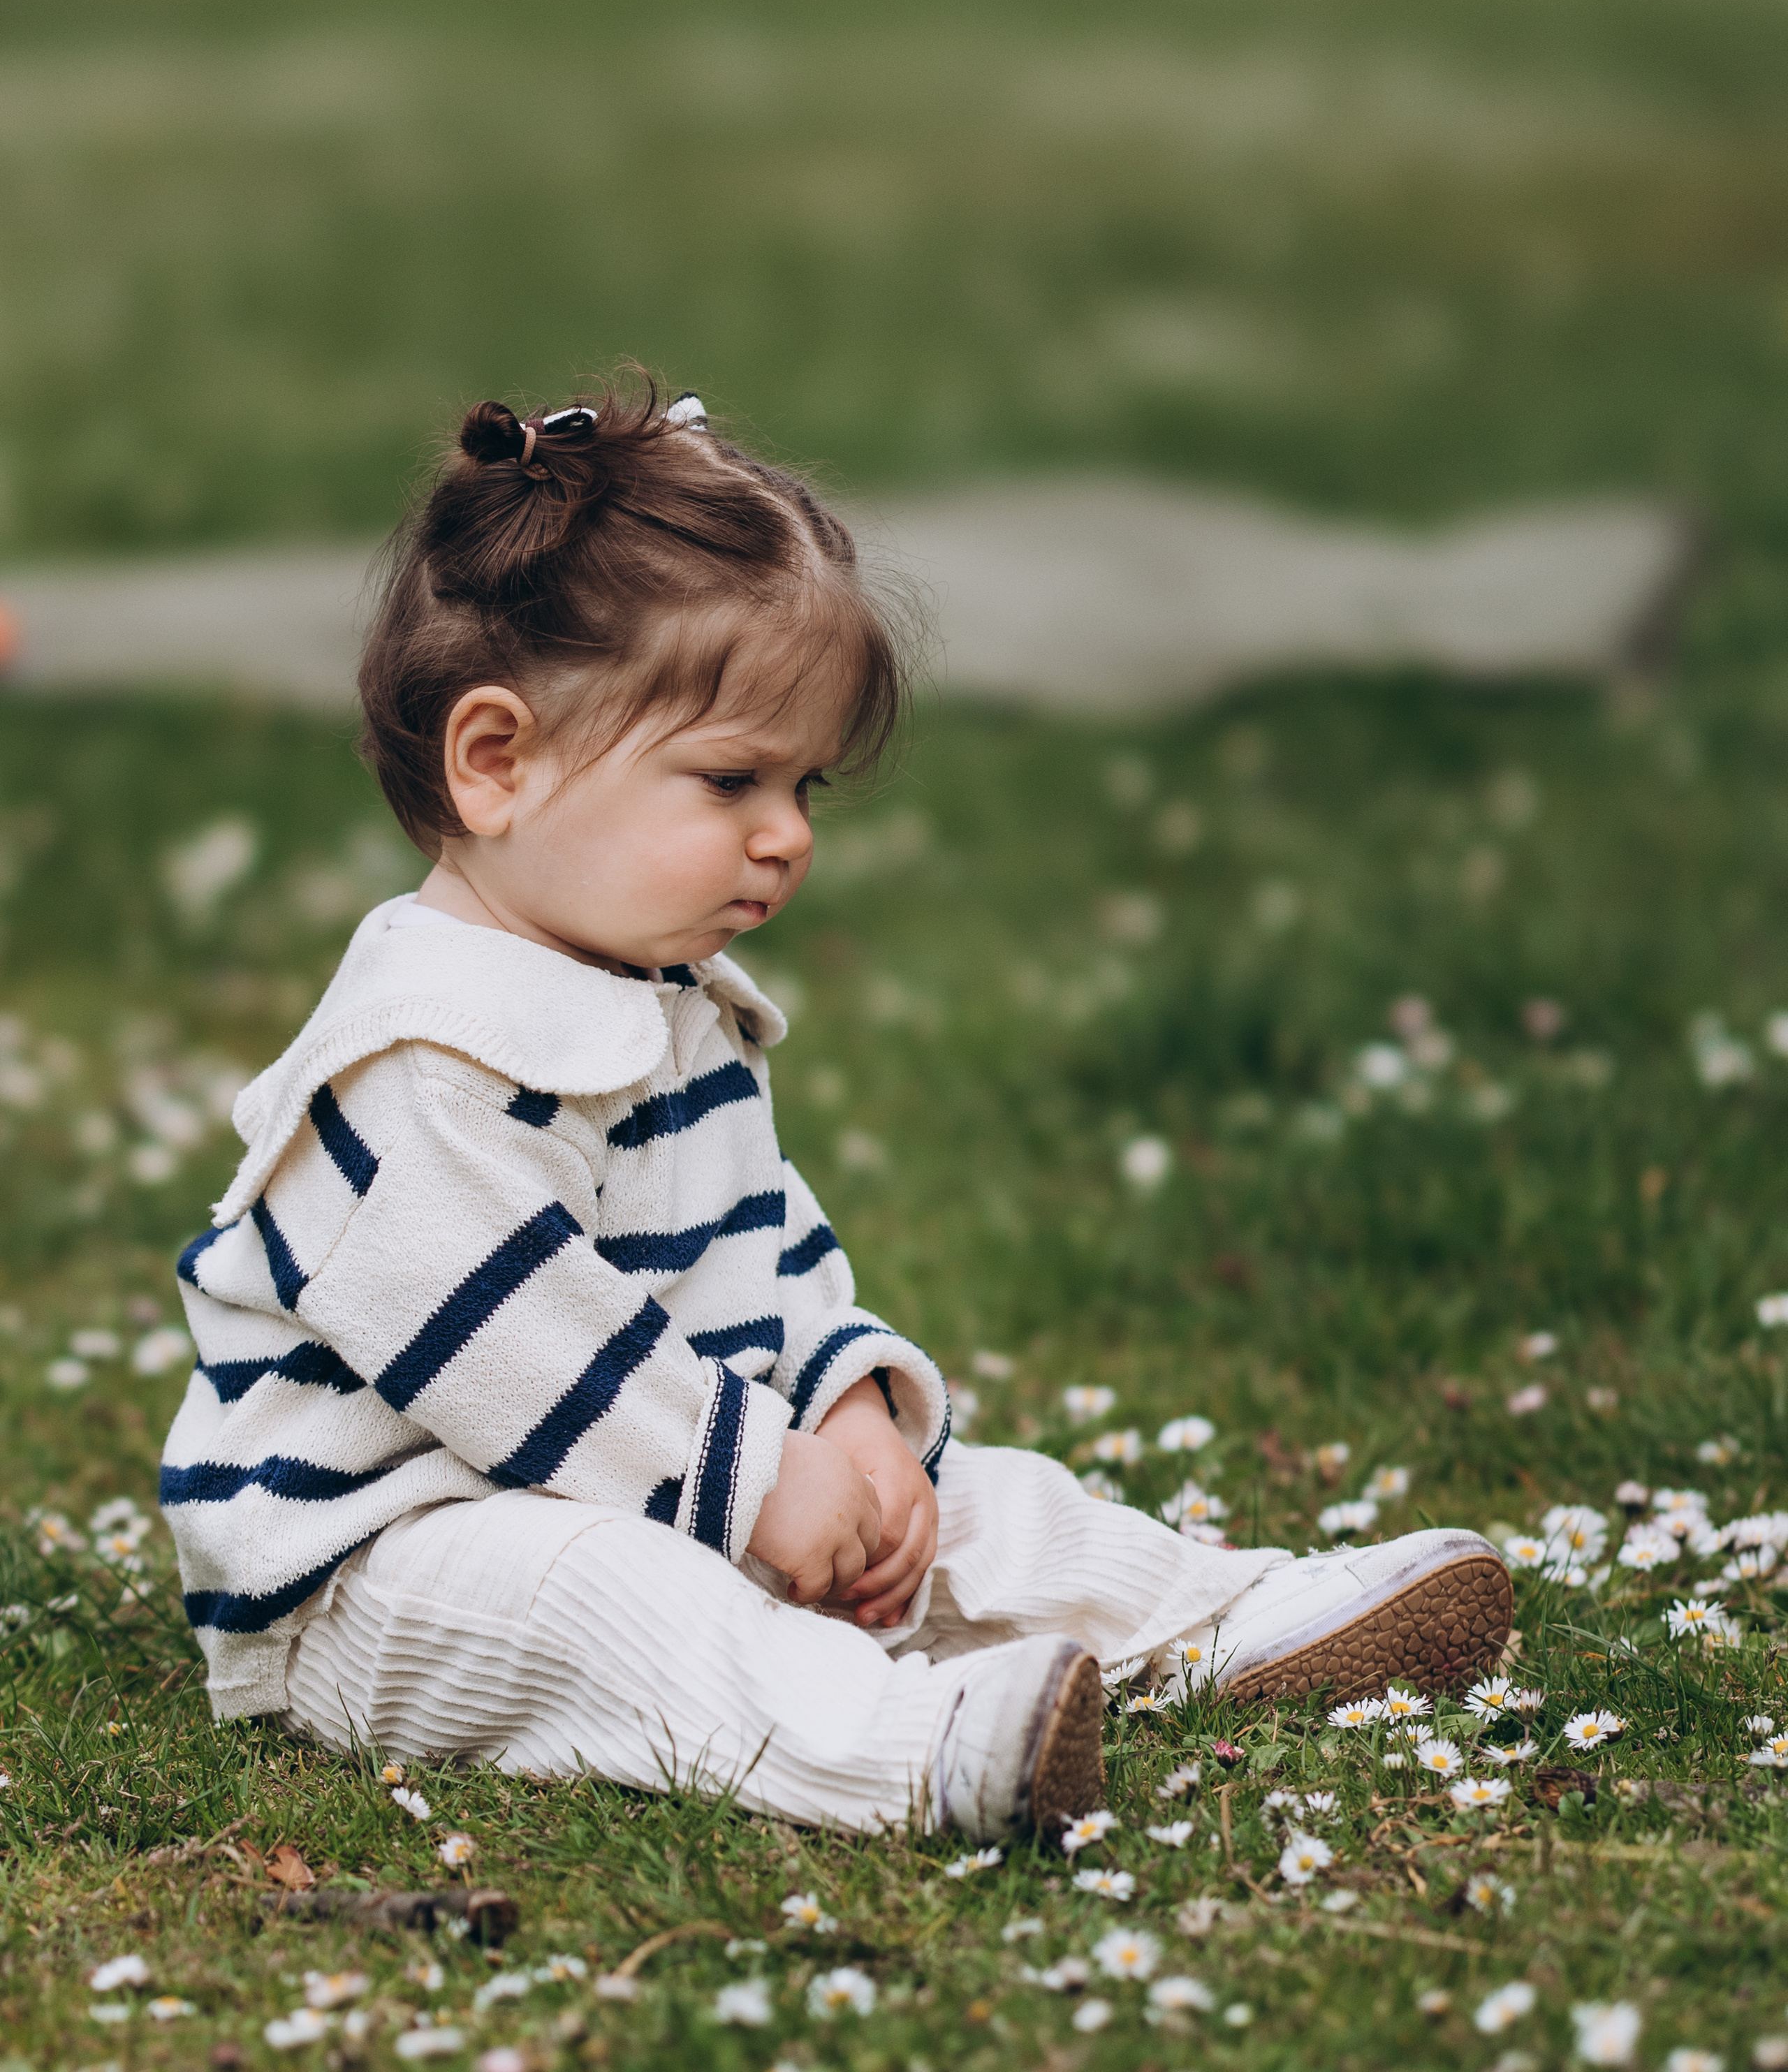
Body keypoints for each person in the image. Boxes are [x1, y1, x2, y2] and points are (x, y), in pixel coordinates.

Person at [158, 381, 1513, 1839]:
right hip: (383, 1569)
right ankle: (903, 1750)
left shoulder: (673, 1006)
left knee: (980, 1505)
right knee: (626, 1608)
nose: (787, 831)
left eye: (803, 782)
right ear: (496, 762)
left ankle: (1225, 1617)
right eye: (730, 777)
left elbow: (758, 1250)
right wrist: (748, 1482)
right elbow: (516, 1343)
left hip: (661, 1476)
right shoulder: (411, 1059)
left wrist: (850, 1415)